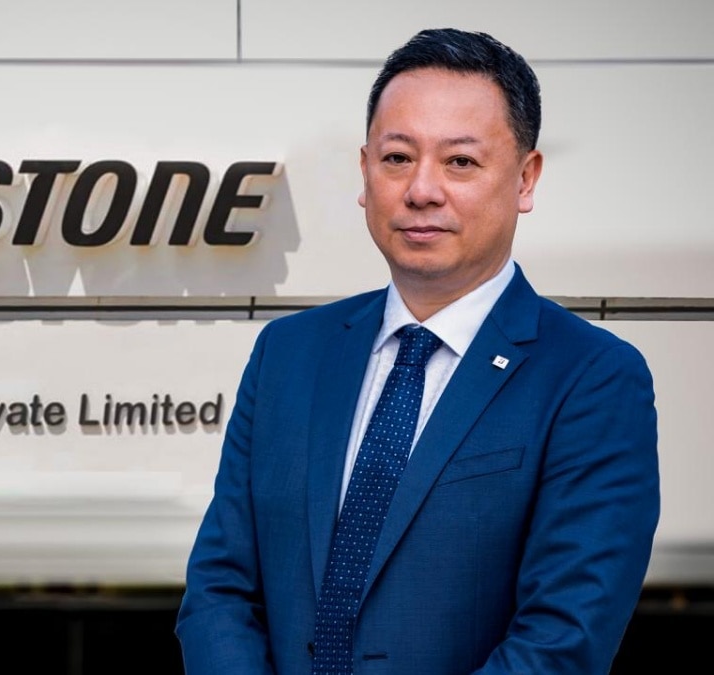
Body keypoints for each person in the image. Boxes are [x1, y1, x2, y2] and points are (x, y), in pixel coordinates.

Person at [175, 28, 660, 675]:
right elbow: (219, 590)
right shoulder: (287, 354)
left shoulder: (593, 379)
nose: (421, 189)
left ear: (525, 179)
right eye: (398, 157)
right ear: (365, 171)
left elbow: (562, 639)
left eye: (460, 162)